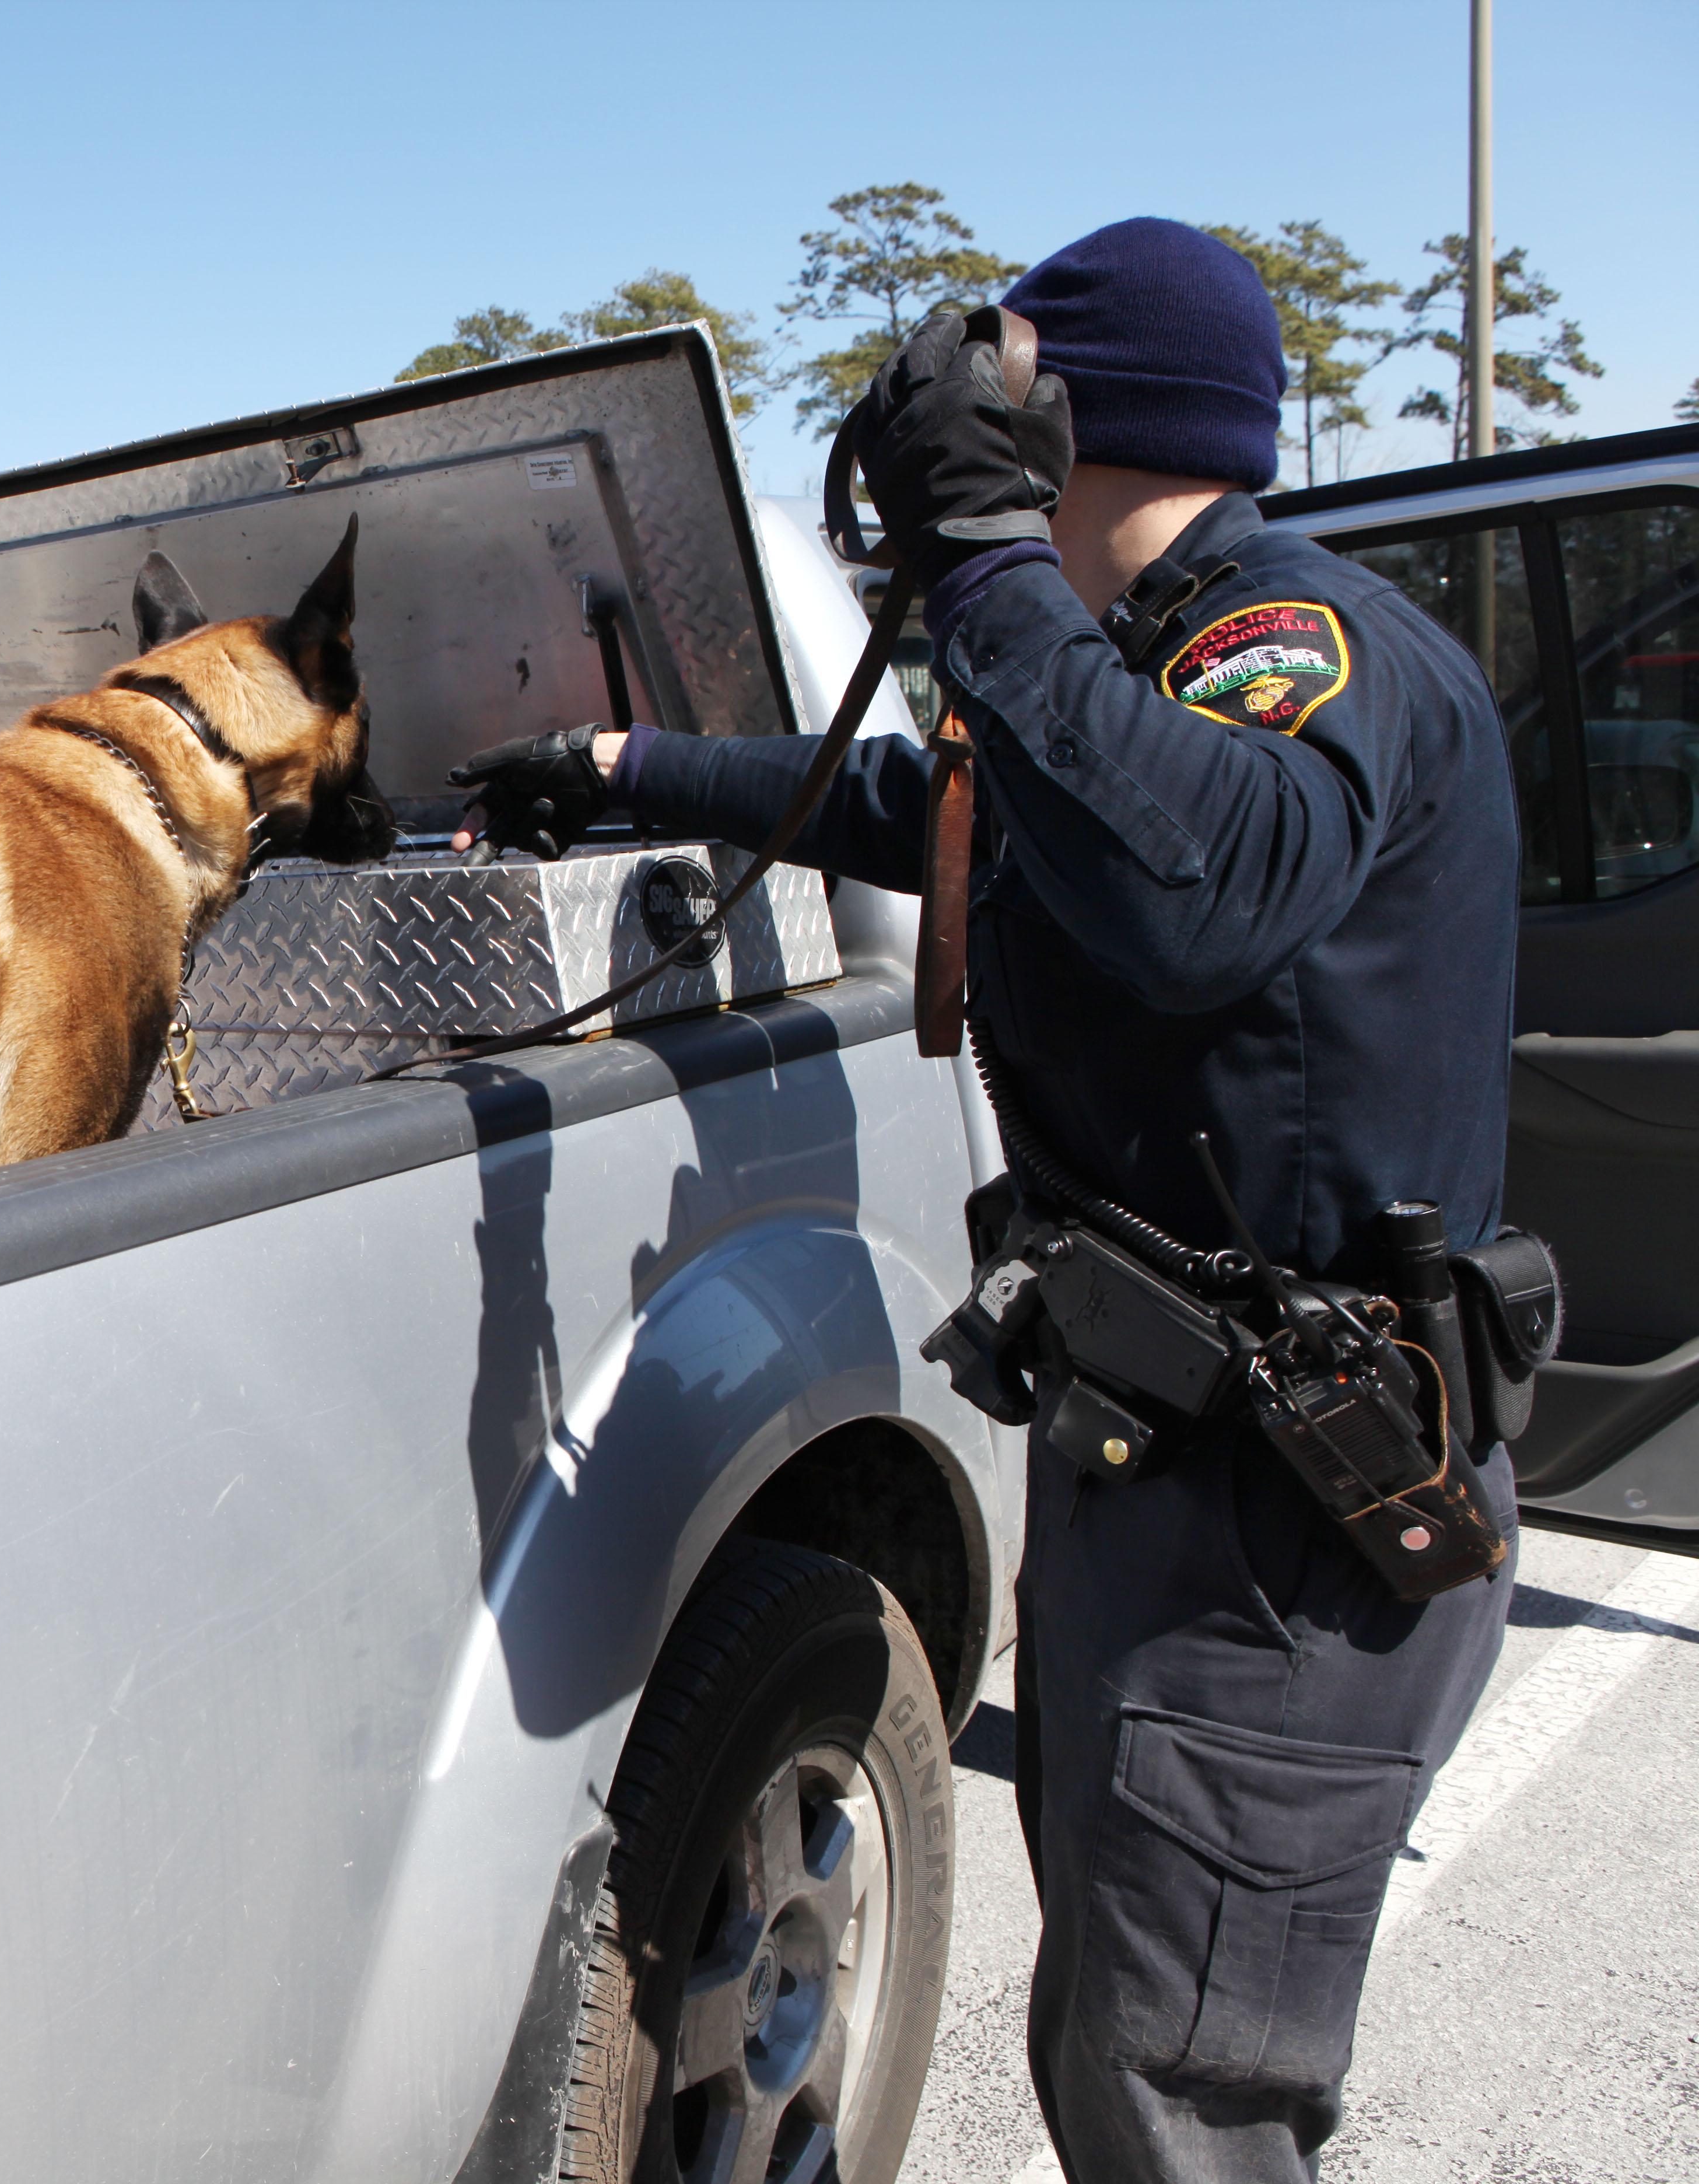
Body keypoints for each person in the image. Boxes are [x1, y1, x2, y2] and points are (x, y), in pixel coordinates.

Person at [453, 218, 1521, 2183]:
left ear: (1069, 422)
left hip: (1283, 1536)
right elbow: (923, 805)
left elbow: (1196, 893)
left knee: (1183, 2097)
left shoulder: (1293, 645)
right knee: (1125, 2045)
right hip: (1173, 1493)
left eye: (1000, 395)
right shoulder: (1112, 688)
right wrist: (624, 762)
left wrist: (994, 562)